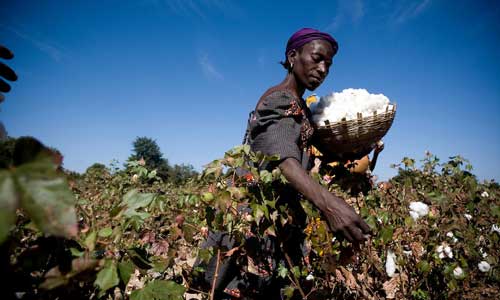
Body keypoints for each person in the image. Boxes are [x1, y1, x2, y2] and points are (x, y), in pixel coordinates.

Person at [196, 28, 371, 299]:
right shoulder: (280, 99)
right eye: (317, 58)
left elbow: (319, 153)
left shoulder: (299, 106)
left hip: (275, 222)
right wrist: (331, 206)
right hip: (255, 222)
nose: (323, 69)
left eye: (328, 64)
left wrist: (364, 146)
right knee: (240, 287)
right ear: (293, 56)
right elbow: (283, 160)